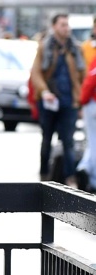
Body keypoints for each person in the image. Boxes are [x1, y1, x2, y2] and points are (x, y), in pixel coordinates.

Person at [30, 13, 84, 187]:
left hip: (69, 101)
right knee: (47, 139)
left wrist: (81, 99)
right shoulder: (44, 47)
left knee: (68, 140)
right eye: (62, 25)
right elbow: (36, 73)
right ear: (54, 27)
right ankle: (44, 174)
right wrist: (44, 91)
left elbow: (82, 75)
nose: (66, 28)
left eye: (67, 25)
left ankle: (70, 178)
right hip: (48, 101)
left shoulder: (75, 48)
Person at [77, 57, 96, 191]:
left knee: (93, 141)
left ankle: (89, 172)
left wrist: (82, 101)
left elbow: (90, 81)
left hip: (93, 104)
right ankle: (85, 167)